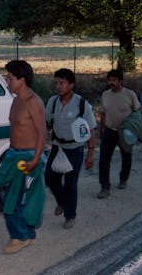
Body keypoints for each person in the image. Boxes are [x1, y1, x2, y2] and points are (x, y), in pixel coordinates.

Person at [0, 60, 46, 254]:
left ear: (22, 80)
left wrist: (35, 159)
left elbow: (42, 133)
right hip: (14, 155)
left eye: (10, 78)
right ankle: (29, 235)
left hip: (28, 158)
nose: (7, 82)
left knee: (13, 200)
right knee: (22, 198)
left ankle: (19, 237)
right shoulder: (16, 100)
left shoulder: (33, 102)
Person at [45, 68, 96, 229]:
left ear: (71, 85)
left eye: (62, 83)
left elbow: (91, 130)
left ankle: (70, 216)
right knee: (49, 177)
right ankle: (61, 201)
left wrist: (90, 154)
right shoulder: (53, 102)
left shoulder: (81, 104)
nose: (58, 86)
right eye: (57, 82)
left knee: (70, 183)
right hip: (57, 146)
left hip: (75, 149)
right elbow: (45, 123)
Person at [98, 69, 140, 199]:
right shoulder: (105, 95)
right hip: (109, 130)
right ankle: (105, 187)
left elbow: (137, 111)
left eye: (114, 80)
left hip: (125, 132)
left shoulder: (130, 94)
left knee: (126, 157)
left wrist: (134, 128)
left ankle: (123, 179)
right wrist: (102, 129)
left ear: (120, 81)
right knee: (104, 160)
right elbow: (103, 113)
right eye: (109, 80)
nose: (111, 82)